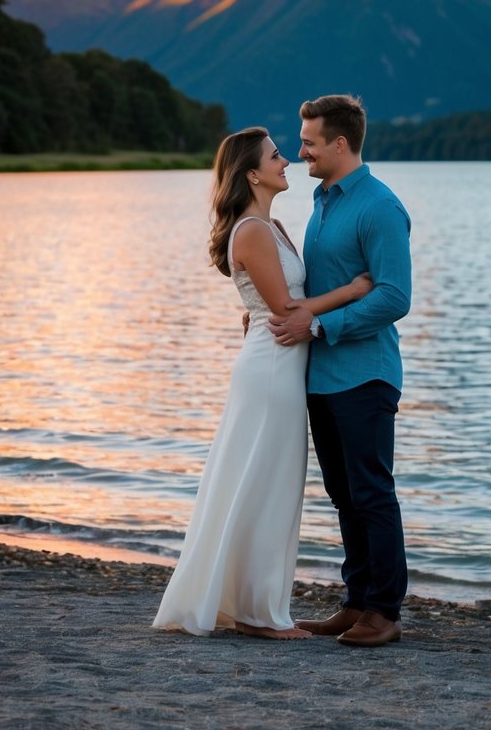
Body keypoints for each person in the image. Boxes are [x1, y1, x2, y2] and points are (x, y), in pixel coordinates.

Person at [152, 126, 371, 639]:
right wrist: (354, 290)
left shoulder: (269, 227)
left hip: (279, 367)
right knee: (267, 488)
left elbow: (274, 302)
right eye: (276, 156)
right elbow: (285, 310)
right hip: (271, 370)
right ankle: (261, 615)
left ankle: (251, 606)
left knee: (264, 486)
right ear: (252, 173)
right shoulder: (251, 230)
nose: (286, 161)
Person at [268, 94, 411, 648]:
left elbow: (395, 296)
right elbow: (317, 288)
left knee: (372, 492)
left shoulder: (379, 206)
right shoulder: (323, 199)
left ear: (340, 143)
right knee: (343, 494)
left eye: (307, 141)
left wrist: (322, 327)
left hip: (365, 373)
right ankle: (356, 601)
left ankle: (385, 610)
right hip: (321, 376)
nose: (299, 150)